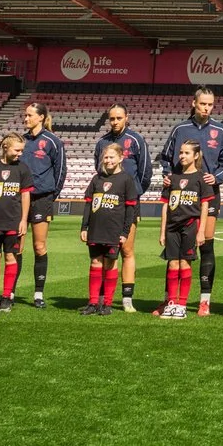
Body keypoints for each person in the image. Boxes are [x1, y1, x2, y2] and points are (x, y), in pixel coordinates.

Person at [160, 90, 223, 309]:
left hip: (207, 195)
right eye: (202, 103)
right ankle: (168, 300)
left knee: (206, 245)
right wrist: (167, 175)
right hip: (180, 195)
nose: (206, 108)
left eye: (210, 104)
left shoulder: (220, 130)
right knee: (174, 249)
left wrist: (216, 177)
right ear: (194, 103)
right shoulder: (180, 129)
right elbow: (165, 157)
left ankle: (204, 301)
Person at [90, 105, 152, 311]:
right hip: (105, 206)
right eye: (112, 118)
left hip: (127, 204)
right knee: (102, 252)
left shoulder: (136, 140)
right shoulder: (102, 142)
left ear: (127, 117)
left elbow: (146, 172)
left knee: (126, 249)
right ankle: (100, 299)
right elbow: (97, 171)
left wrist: (133, 195)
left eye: (119, 118)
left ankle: (126, 299)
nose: (115, 122)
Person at [77, 142, 140, 316]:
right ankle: (93, 302)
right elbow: (89, 206)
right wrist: (85, 226)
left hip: (114, 230)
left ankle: (108, 304)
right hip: (96, 229)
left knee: (110, 264)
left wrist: (125, 232)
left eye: (112, 157)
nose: (108, 160)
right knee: (95, 262)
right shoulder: (97, 179)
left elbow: (130, 209)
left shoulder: (126, 179)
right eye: (106, 157)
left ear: (121, 158)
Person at [158, 142, 218, 319]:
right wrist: (162, 231)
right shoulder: (173, 178)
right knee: (172, 263)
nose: (182, 156)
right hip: (172, 227)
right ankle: (171, 302)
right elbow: (165, 205)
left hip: (191, 225)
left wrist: (201, 231)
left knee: (185, 263)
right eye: (181, 153)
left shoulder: (201, 178)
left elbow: (205, 205)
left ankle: (182, 304)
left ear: (196, 155)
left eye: (186, 153)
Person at [16, 101, 67, 308]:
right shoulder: (21, 140)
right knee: (17, 246)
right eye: (25, 115)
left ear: (41, 118)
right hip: (18, 199)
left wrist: (50, 196)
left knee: (39, 246)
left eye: (29, 115)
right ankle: (10, 292)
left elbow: (61, 172)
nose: (25, 118)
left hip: (41, 199)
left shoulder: (53, 142)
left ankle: (38, 293)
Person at [0, 132, 34, 312]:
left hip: (13, 222)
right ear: (5, 147)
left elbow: (26, 195)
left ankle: (7, 296)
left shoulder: (23, 169)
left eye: (21, 151)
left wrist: (24, 220)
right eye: (17, 150)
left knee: (11, 257)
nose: (20, 154)